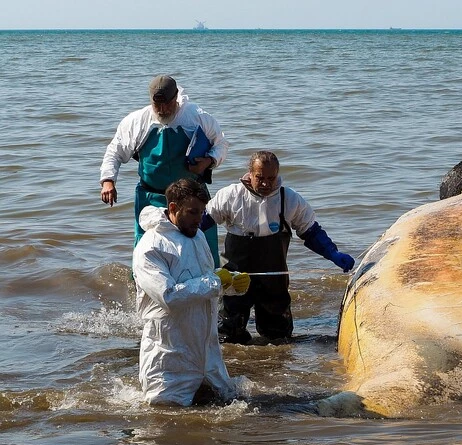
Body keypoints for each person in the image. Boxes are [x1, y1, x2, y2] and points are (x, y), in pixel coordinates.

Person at [204, 150, 356, 344]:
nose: (266, 184)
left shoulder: (290, 199)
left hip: (274, 277)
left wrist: (333, 253)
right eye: (260, 177)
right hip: (236, 276)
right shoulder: (230, 196)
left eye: (271, 177)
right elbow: (200, 223)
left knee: (279, 339)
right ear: (250, 173)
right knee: (229, 336)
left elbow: (311, 232)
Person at [132, 178, 251, 406]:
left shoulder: (195, 235)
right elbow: (169, 296)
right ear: (174, 208)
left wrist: (231, 285)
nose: (200, 219)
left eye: (202, 212)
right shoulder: (150, 247)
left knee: (227, 413)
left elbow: (201, 281)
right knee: (165, 420)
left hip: (207, 353)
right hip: (170, 354)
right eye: (193, 212)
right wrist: (216, 282)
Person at [99, 74, 229, 266]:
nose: (162, 109)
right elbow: (115, 151)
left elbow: (221, 144)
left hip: (192, 197)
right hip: (151, 196)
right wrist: (108, 181)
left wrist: (208, 161)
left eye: (167, 104)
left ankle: (212, 290)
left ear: (176, 97)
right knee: (147, 252)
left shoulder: (196, 116)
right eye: (156, 104)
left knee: (203, 249)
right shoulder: (137, 121)